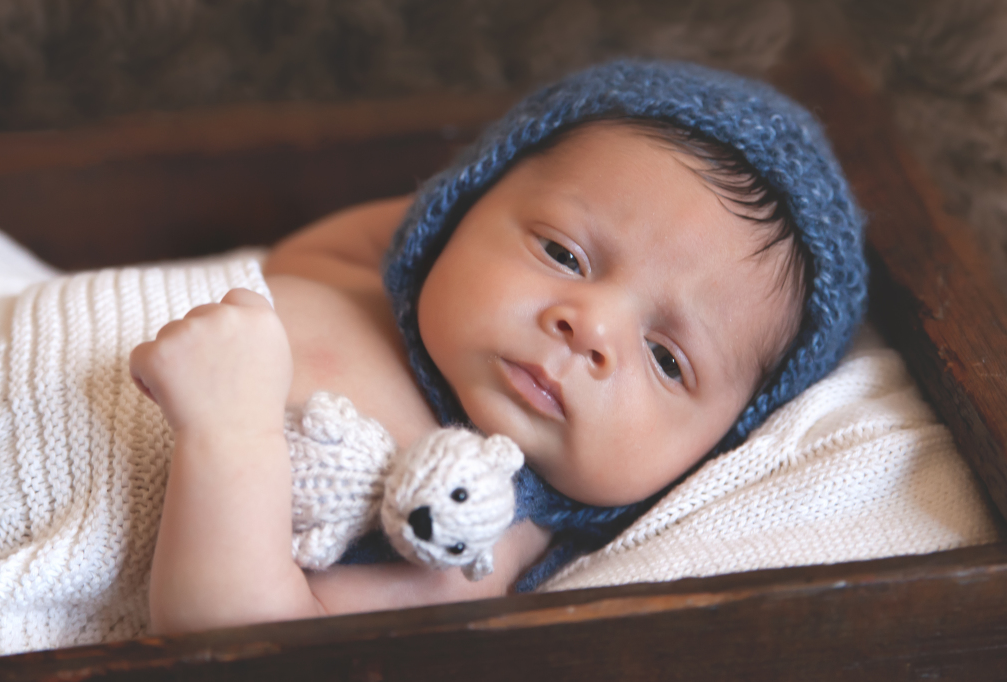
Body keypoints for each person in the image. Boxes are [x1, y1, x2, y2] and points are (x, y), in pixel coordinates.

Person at [128, 59, 867, 634]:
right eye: (563, 253)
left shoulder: (472, 532)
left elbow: (250, 643)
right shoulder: (370, 280)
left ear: (711, 449)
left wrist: (229, 434)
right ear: (459, 208)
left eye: (668, 359)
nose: (590, 328)